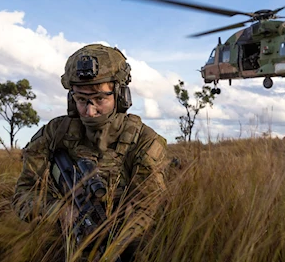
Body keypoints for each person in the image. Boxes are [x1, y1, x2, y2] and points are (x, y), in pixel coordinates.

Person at [11, 44, 168, 261]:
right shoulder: (56, 133)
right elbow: (23, 193)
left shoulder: (144, 141)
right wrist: (59, 211)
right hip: (61, 240)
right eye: (81, 99)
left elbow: (149, 210)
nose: (89, 110)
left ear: (121, 95)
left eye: (99, 99)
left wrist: (112, 248)